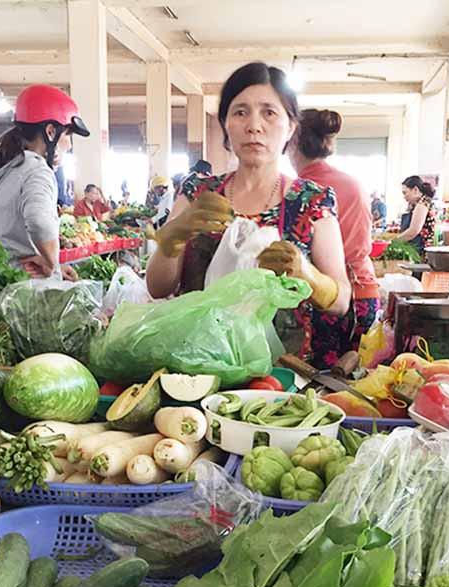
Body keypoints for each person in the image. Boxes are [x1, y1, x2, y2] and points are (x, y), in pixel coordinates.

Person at [146, 62, 350, 367]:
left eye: (269, 112)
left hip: (281, 372)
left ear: (290, 127)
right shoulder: (197, 193)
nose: (254, 125)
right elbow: (158, 287)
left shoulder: (313, 201)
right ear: (226, 124)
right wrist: (174, 236)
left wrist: (305, 274)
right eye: (240, 112)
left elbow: (341, 301)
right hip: (197, 365)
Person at [288, 109, 380, 363]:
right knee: (355, 383)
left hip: (322, 299)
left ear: (292, 140)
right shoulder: (353, 183)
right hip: (364, 293)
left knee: (315, 387)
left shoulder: (299, 192)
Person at [0, 84, 88, 280]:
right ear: (51, 131)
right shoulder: (36, 169)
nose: (69, 144)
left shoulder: (8, 166)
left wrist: (55, 264)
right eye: (68, 134)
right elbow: (39, 222)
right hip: (24, 286)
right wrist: (53, 267)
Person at [397, 175, 437, 252]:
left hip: (420, 251)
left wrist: (393, 242)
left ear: (415, 190)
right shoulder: (422, 203)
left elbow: (413, 231)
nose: (404, 197)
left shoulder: (422, 204)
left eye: (405, 193)